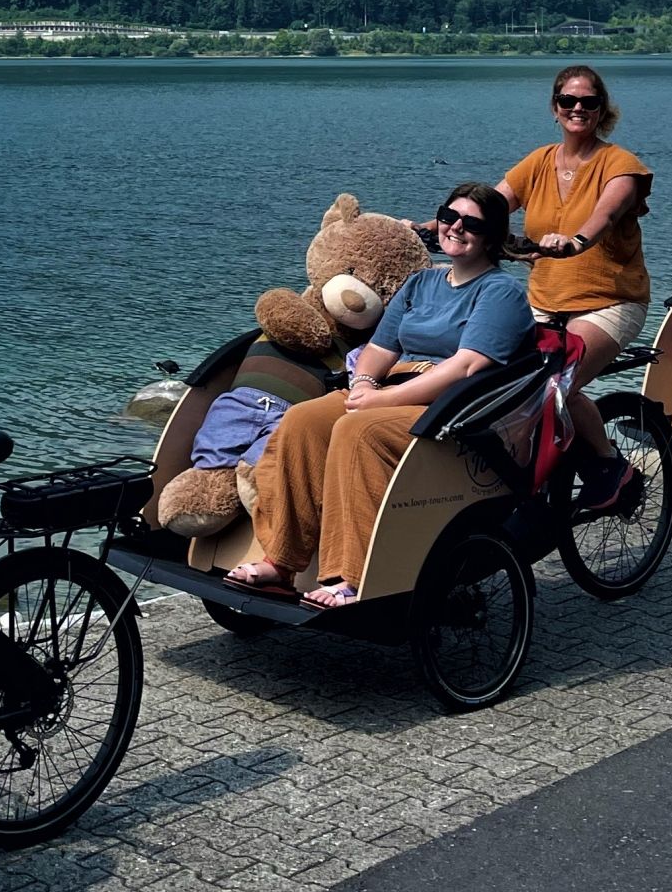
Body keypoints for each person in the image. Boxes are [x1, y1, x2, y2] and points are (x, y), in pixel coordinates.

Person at [225, 184, 534, 609]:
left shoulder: (500, 292)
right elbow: (379, 350)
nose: (455, 227)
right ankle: (282, 562)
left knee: (358, 430)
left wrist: (383, 402)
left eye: (472, 223)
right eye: (449, 216)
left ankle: (348, 577)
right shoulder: (421, 283)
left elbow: (466, 366)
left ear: (493, 237)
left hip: (450, 405)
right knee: (303, 421)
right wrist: (365, 384)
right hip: (393, 387)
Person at [493, 65, 654, 512]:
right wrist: (441, 225)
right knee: (498, 382)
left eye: (588, 101)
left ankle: (610, 467)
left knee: (554, 383)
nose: (578, 108)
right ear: (555, 108)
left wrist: (575, 240)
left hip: (611, 301)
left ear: (603, 109)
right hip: (543, 300)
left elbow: (604, 216)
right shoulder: (539, 162)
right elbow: (490, 205)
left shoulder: (620, 165)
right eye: (569, 101)